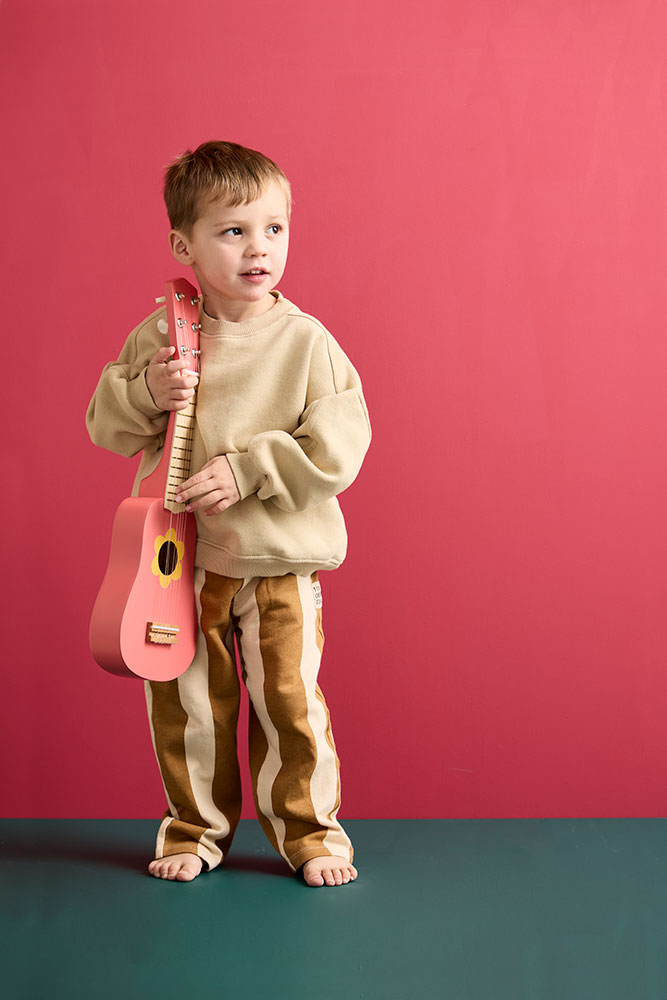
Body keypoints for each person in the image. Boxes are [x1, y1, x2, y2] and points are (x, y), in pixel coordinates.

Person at [86, 140, 371, 887]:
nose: (259, 248)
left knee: (288, 704)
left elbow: (340, 444)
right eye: (233, 230)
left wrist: (250, 469)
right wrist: (148, 390)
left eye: (274, 228)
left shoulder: (305, 342)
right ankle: (194, 829)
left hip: (277, 562)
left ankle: (310, 833)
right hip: (182, 565)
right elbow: (104, 426)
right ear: (185, 244)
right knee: (188, 706)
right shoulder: (164, 334)